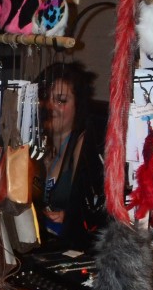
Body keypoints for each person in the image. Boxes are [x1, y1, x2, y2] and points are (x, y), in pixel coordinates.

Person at [37, 60, 104, 247]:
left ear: (78, 106)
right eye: (46, 97)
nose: (51, 107)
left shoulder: (82, 143)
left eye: (61, 100)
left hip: (70, 246)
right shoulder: (35, 142)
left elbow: (96, 209)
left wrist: (70, 216)